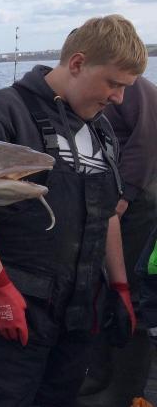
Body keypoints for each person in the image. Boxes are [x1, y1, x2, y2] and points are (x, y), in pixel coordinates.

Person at [0, 14, 147, 407]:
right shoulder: (1, 112)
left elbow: (108, 213)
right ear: (77, 64)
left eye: (127, 88)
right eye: (113, 83)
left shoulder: (103, 131)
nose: (119, 98)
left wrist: (120, 286)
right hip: (11, 314)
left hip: (77, 315)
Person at [77, 75, 157, 406]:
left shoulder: (135, 88)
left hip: (137, 208)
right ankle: (97, 376)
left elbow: (147, 142)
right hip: (106, 209)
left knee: (131, 297)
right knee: (102, 290)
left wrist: (124, 196)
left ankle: (123, 389)